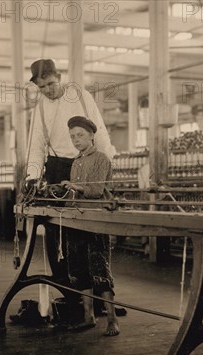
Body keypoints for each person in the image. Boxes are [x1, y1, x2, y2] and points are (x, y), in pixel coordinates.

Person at [26, 59, 115, 285]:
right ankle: (68, 291)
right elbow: (35, 144)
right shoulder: (40, 107)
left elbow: (100, 132)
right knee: (57, 230)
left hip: (88, 164)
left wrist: (105, 170)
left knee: (91, 230)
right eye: (42, 87)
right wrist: (32, 176)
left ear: (60, 77)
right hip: (58, 169)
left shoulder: (82, 97)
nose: (47, 90)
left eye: (51, 84)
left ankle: (99, 296)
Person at [60, 116, 120, 337]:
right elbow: (74, 194)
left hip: (95, 221)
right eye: (73, 136)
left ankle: (112, 320)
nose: (76, 140)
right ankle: (89, 316)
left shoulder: (101, 159)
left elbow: (95, 191)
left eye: (80, 135)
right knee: (78, 268)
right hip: (77, 219)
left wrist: (73, 185)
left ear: (92, 135)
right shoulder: (76, 162)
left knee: (99, 267)